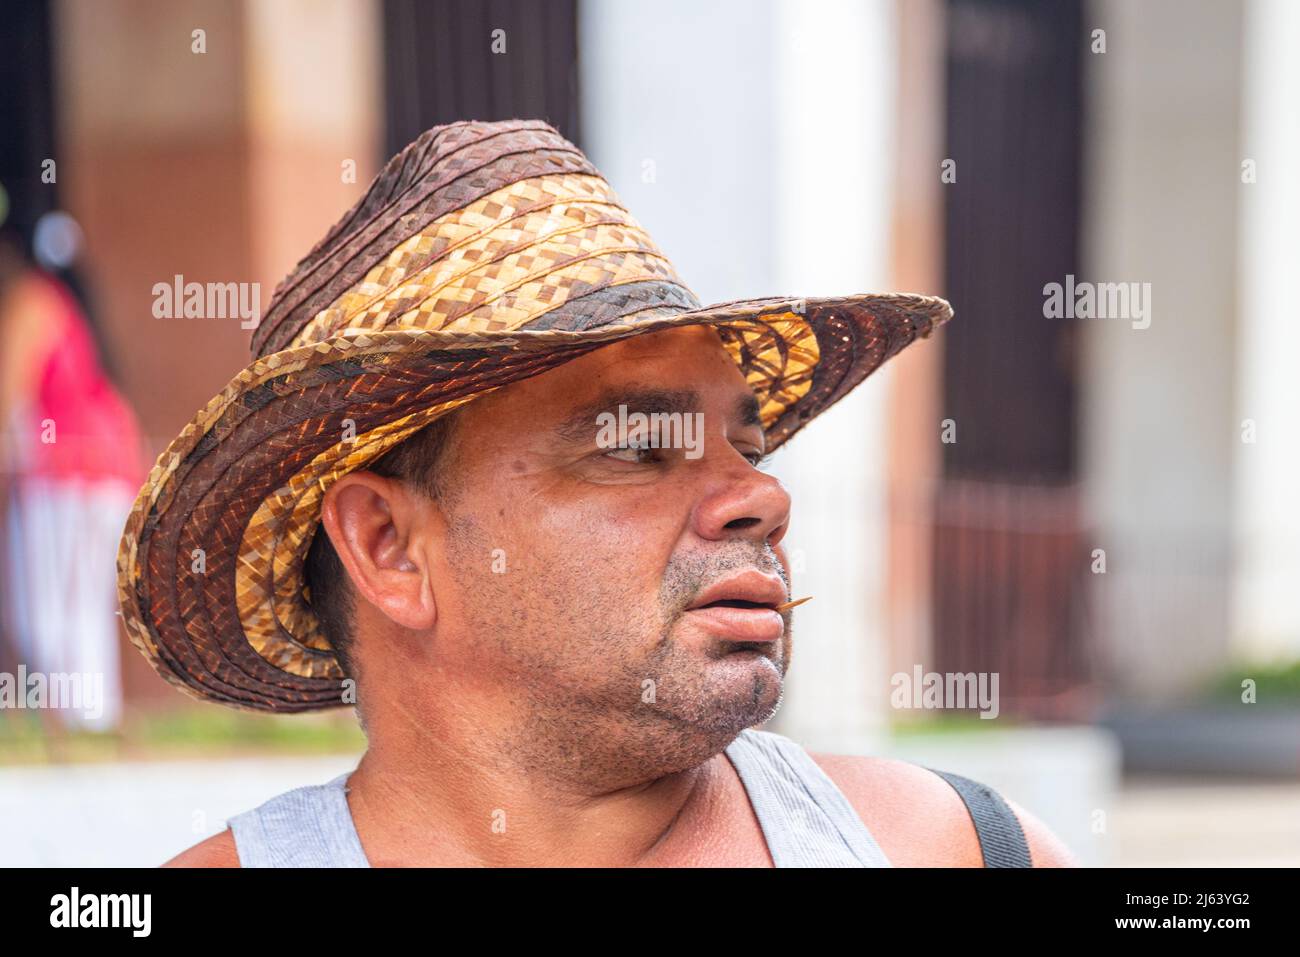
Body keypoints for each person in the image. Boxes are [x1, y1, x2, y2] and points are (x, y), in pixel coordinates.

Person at [117, 119, 1074, 867]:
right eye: (637, 448)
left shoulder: (964, 851)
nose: (760, 500)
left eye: (746, 444)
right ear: (389, 547)